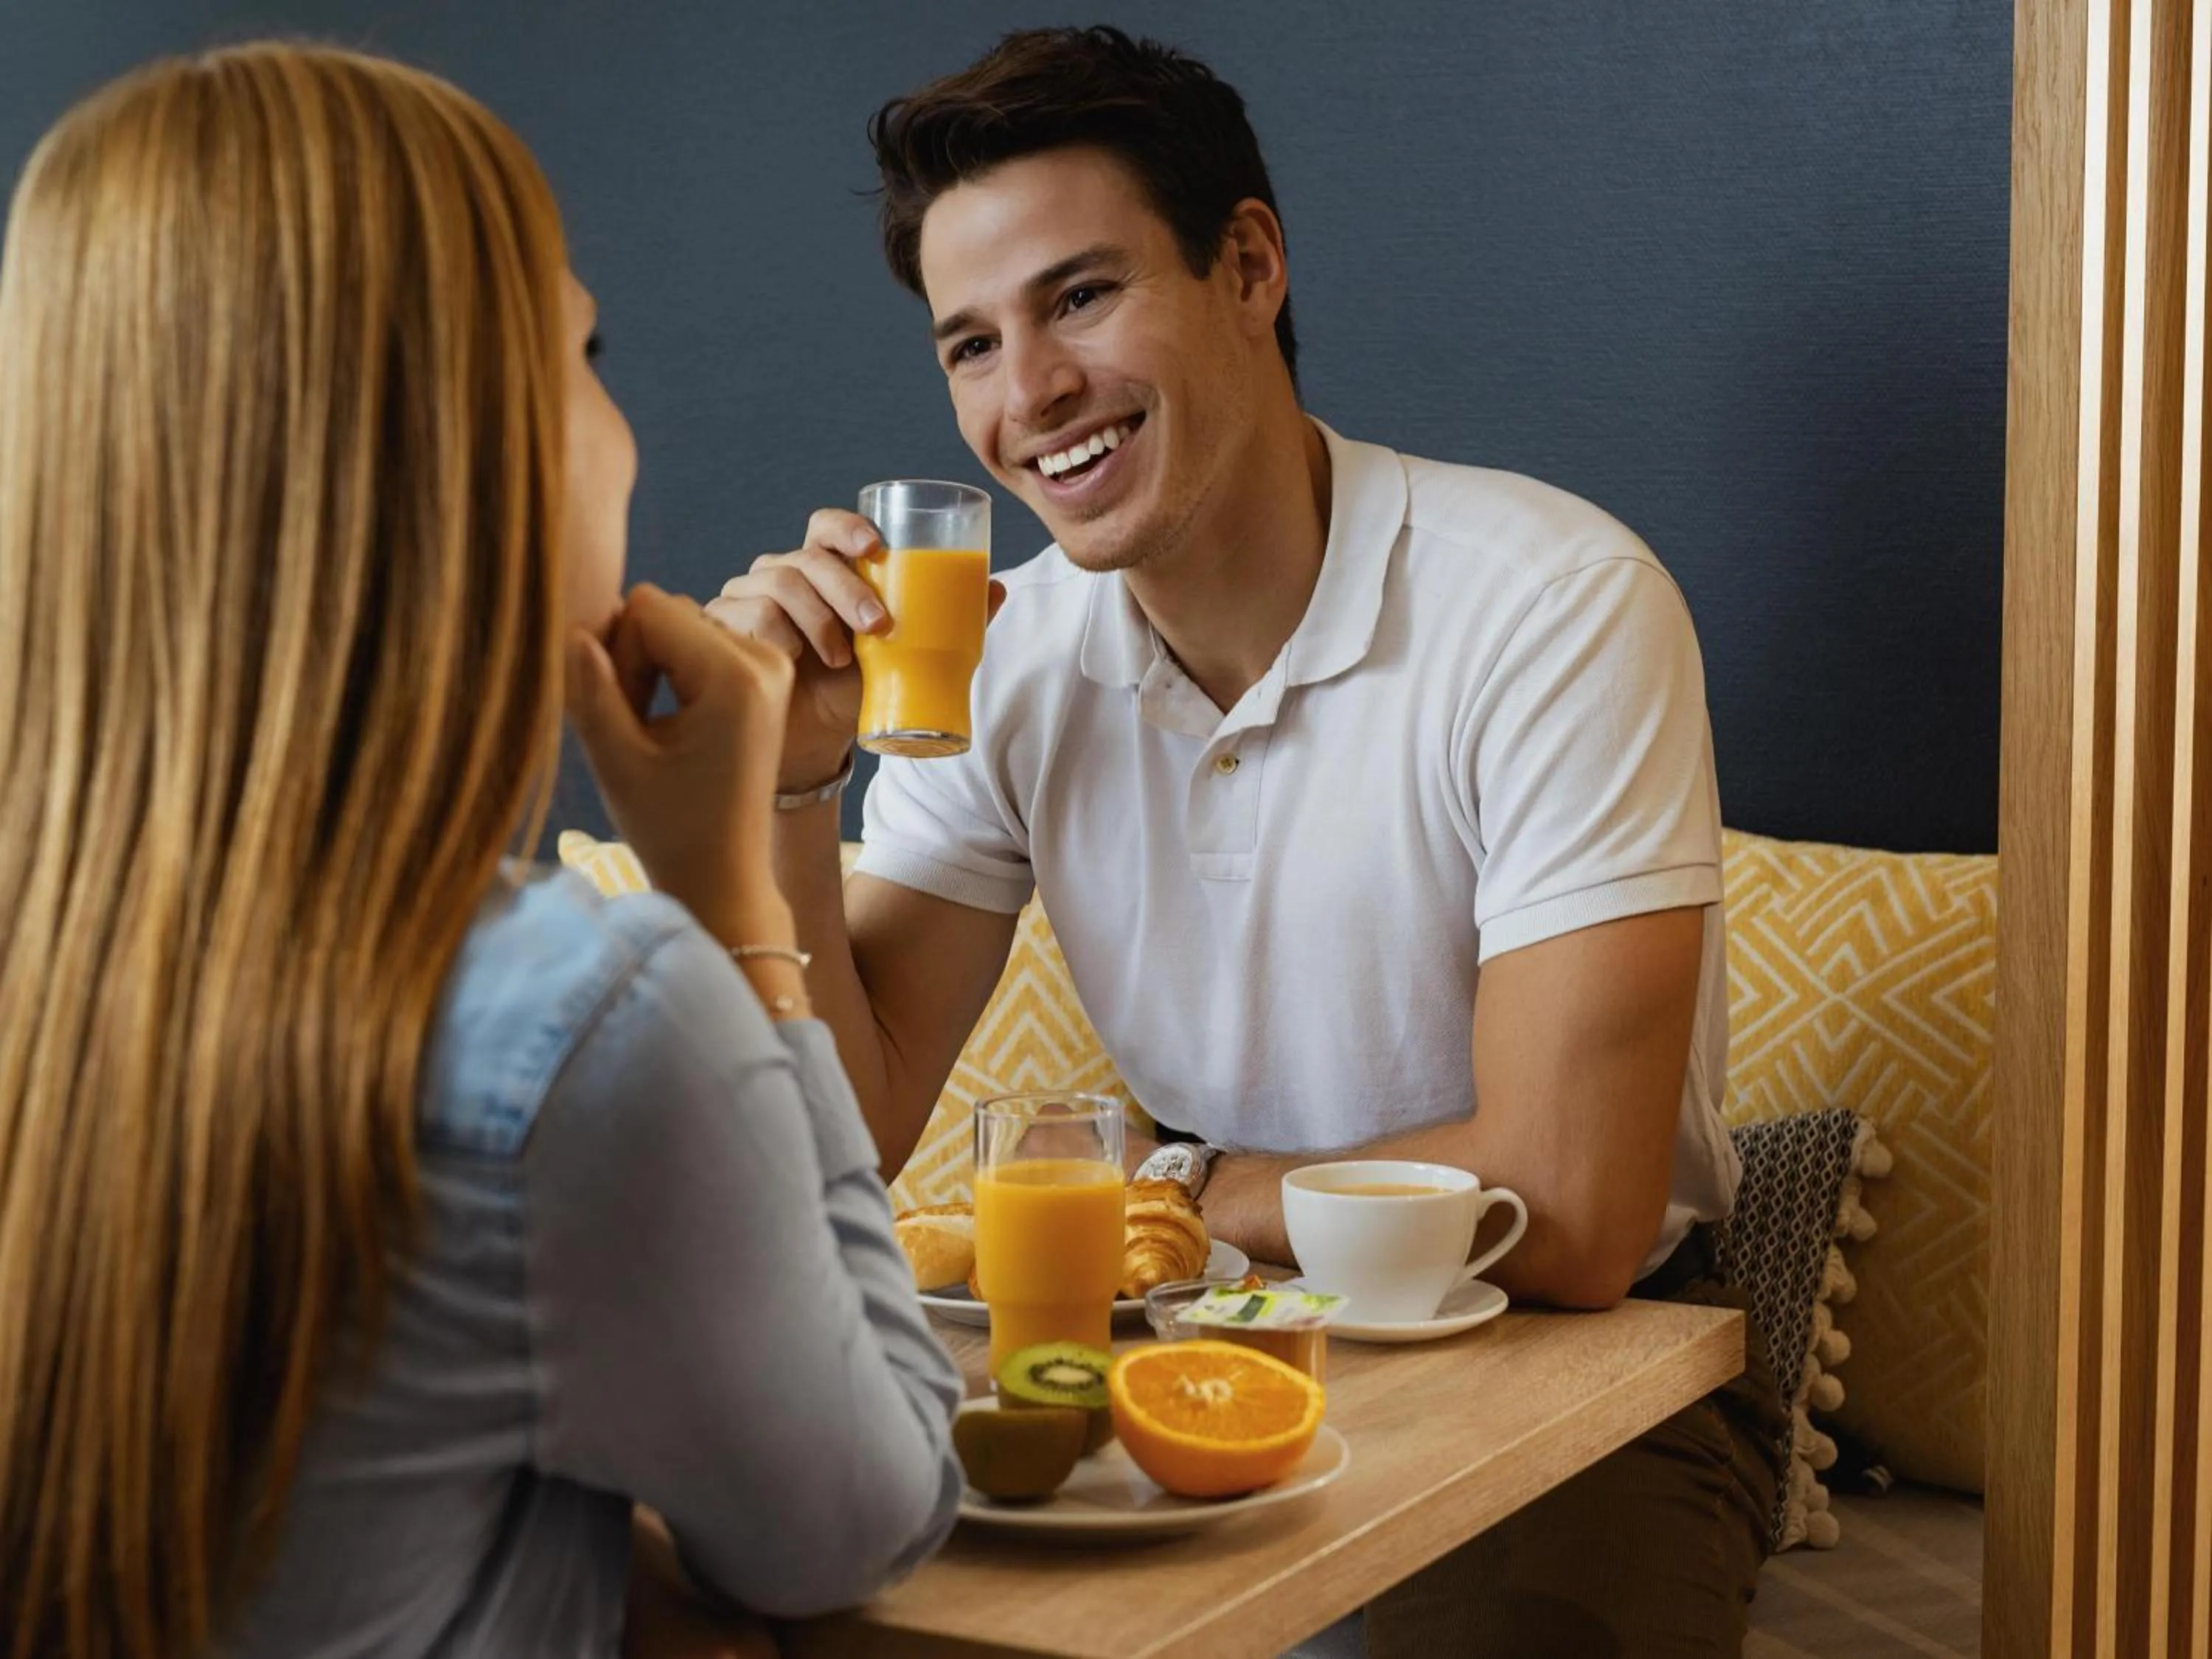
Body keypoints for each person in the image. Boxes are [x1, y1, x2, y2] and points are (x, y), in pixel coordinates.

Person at [711, 24, 1784, 1656]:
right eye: (971, 345)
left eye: (1080, 297)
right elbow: (840, 1140)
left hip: (1589, 1369)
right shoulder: (993, 657)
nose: (1031, 397)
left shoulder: (1553, 605)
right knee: (751, 1590)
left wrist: (1185, 1189)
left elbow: (1563, 1211)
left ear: (1251, 265)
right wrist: (787, 794)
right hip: (1192, 1322)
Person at [0, 44, 961, 1659]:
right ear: (464, 446)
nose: (618, 426)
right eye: (584, 352)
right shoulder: (585, 1025)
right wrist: (729, 909)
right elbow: (866, 1516)